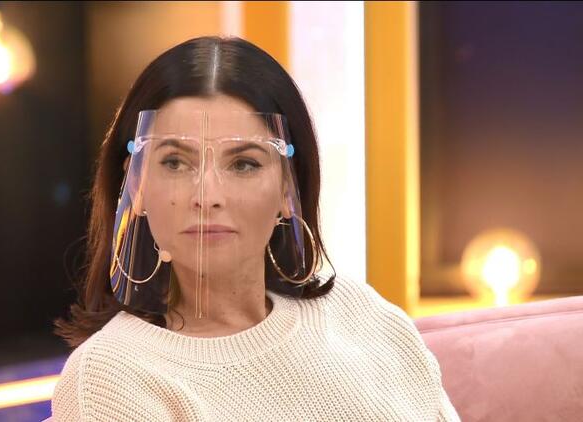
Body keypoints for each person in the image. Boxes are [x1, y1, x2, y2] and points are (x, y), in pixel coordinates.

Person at [51, 36, 460, 421]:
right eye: (175, 162)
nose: (207, 195)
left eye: (244, 163)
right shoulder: (110, 377)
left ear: (287, 187)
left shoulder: (357, 311)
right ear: (135, 183)